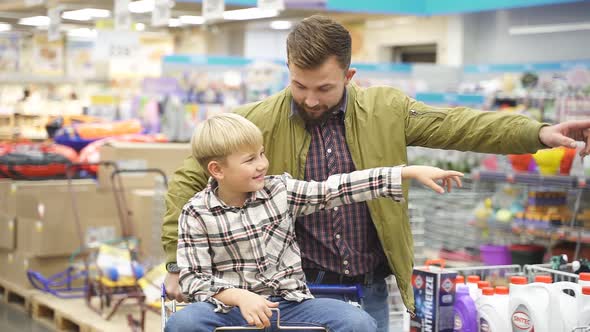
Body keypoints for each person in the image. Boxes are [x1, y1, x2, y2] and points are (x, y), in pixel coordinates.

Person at [162, 15, 590, 332]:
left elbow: (458, 125)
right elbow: (189, 178)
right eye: (299, 85)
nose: (310, 99)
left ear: (349, 76)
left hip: (368, 287)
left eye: (324, 88)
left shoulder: (385, 109)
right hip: (295, 289)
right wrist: (175, 263)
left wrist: (538, 132)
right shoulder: (259, 121)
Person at [164, 113, 463, 331]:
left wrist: (405, 174)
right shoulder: (196, 213)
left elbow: (337, 188)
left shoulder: (279, 190)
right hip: (228, 309)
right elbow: (193, 279)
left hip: (290, 306)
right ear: (217, 169)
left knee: (358, 322)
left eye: (262, 154)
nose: (262, 164)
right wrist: (241, 297)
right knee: (182, 323)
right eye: (250, 159)